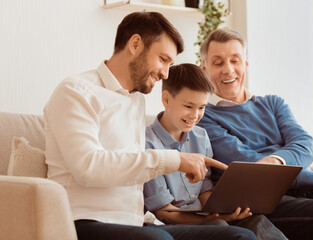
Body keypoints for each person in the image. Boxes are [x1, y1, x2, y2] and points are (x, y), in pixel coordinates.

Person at [43, 12, 257, 240]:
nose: (165, 73)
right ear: (135, 44)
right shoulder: (76, 91)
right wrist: (175, 160)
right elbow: (88, 167)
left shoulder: (136, 100)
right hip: (81, 221)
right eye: (163, 59)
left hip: (137, 221)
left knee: (240, 236)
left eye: (170, 64)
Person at [197, 28, 313, 240]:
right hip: (265, 203)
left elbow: (304, 144)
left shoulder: (273, 103)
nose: (228, 70)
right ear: (204, 68)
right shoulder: (204, 115)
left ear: (245, 65)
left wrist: (276, 161)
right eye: (218, 63)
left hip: (303, 192)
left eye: (235, 60)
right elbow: (249, 168)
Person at [143, 63, 286, 240]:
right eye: (188, 106)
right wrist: (212, 219)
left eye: (202, 107)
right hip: (170, 224)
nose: (195, 115)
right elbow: (163, 211)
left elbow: (204, 190)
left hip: (205, 217)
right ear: (166, 99)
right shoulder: (146, 143)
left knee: (255, 220)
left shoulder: (201, 136)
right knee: (219, 226)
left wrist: (220, 212)